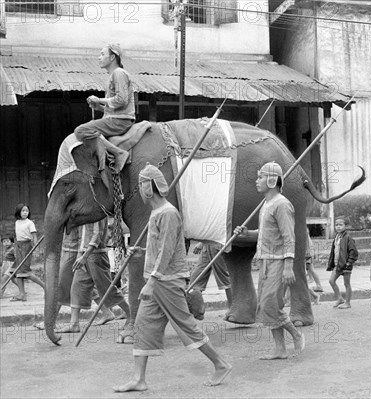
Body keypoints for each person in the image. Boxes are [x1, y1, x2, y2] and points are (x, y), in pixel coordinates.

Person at [114, 164, 232, 392]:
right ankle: (139, 379)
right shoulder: (158, 212)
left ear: (149, 187)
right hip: (158, 281)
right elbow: (160, 249)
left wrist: (151, 281)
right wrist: (140, 253)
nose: (139, 188)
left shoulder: (168, 213)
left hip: (167, 282)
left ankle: (221, 364)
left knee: (187, 326)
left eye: (141, 183)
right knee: (142, 326)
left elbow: (167, 251)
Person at [234, 162, 305, 360]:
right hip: (264, 260)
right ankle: (280, 348)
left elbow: (289, 237)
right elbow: (265, 233)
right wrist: (247, 233)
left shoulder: (282, 204)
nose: (257, 181)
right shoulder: (266, 204)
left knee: (270, 305)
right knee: (267, 307)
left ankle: (296, 334)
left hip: (279, 262)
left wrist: (289, 266)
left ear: (272, 180)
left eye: (260, 177)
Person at [59, 218, 130, 333]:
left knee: (107, 289)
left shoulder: (96, 209)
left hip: (96, 255)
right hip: (83, 254)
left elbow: (97, 234)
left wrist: (85, 255)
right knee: (77, 287)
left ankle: (130, 314)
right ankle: (74, 324)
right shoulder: (85, 211)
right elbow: (83, 236)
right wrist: (80, 255)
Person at [74, 44, 134, 173]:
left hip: (120, 121)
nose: (99, 57)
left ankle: (119, 153)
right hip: (117, 118)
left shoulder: (118, 73)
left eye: (102, 54)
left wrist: (99, 99)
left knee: (81, 131)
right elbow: (117, 107)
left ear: (112, 57)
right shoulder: (114, 74)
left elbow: (121, 100)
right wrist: (99, 107)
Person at [187, 241, 232, 320]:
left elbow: (214, 228)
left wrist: (202, 242)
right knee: (197, 277)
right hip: (207, 245)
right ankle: (197, 310)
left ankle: (233, 310)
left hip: (217, 244)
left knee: (224, 277)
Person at [9, 204, 45, 302]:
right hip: (18, 247)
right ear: (18, 212)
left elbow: (34, 236)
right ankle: (22, 294)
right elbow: (17, 236)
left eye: (27, 211)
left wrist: (35, 247)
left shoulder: (30, 223)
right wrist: (15, 247)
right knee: (16, 272)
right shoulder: (17, 222)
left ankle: (46, 287)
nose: (25, 212)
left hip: (27, 246)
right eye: (23, 211)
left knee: (25, 272)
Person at [327, 216, 358, 309]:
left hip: (346, 265)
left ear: (346, 226)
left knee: (346, 283)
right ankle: (340, 298)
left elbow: (354, 252)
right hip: (338, 264)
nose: (338, 227)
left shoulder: (348, 237)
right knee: (331, 281)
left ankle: (347, 302)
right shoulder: (337, 237)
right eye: (336, 225)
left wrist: (349, 263)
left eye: (340, 225)